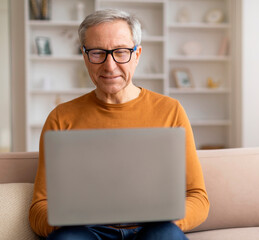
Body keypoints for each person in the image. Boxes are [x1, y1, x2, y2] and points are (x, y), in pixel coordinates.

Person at [29, 9, 209, 240]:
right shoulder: (61, 117)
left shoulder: (170, 111)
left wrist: (170, 220)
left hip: (152, 229)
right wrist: (64, 220)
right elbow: (39, 208)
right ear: (85, 56)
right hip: (86, 231)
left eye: (121, 52)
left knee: (165, 235)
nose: (110, 66)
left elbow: (198, 197)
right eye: (97, 53)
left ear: (137, 54)